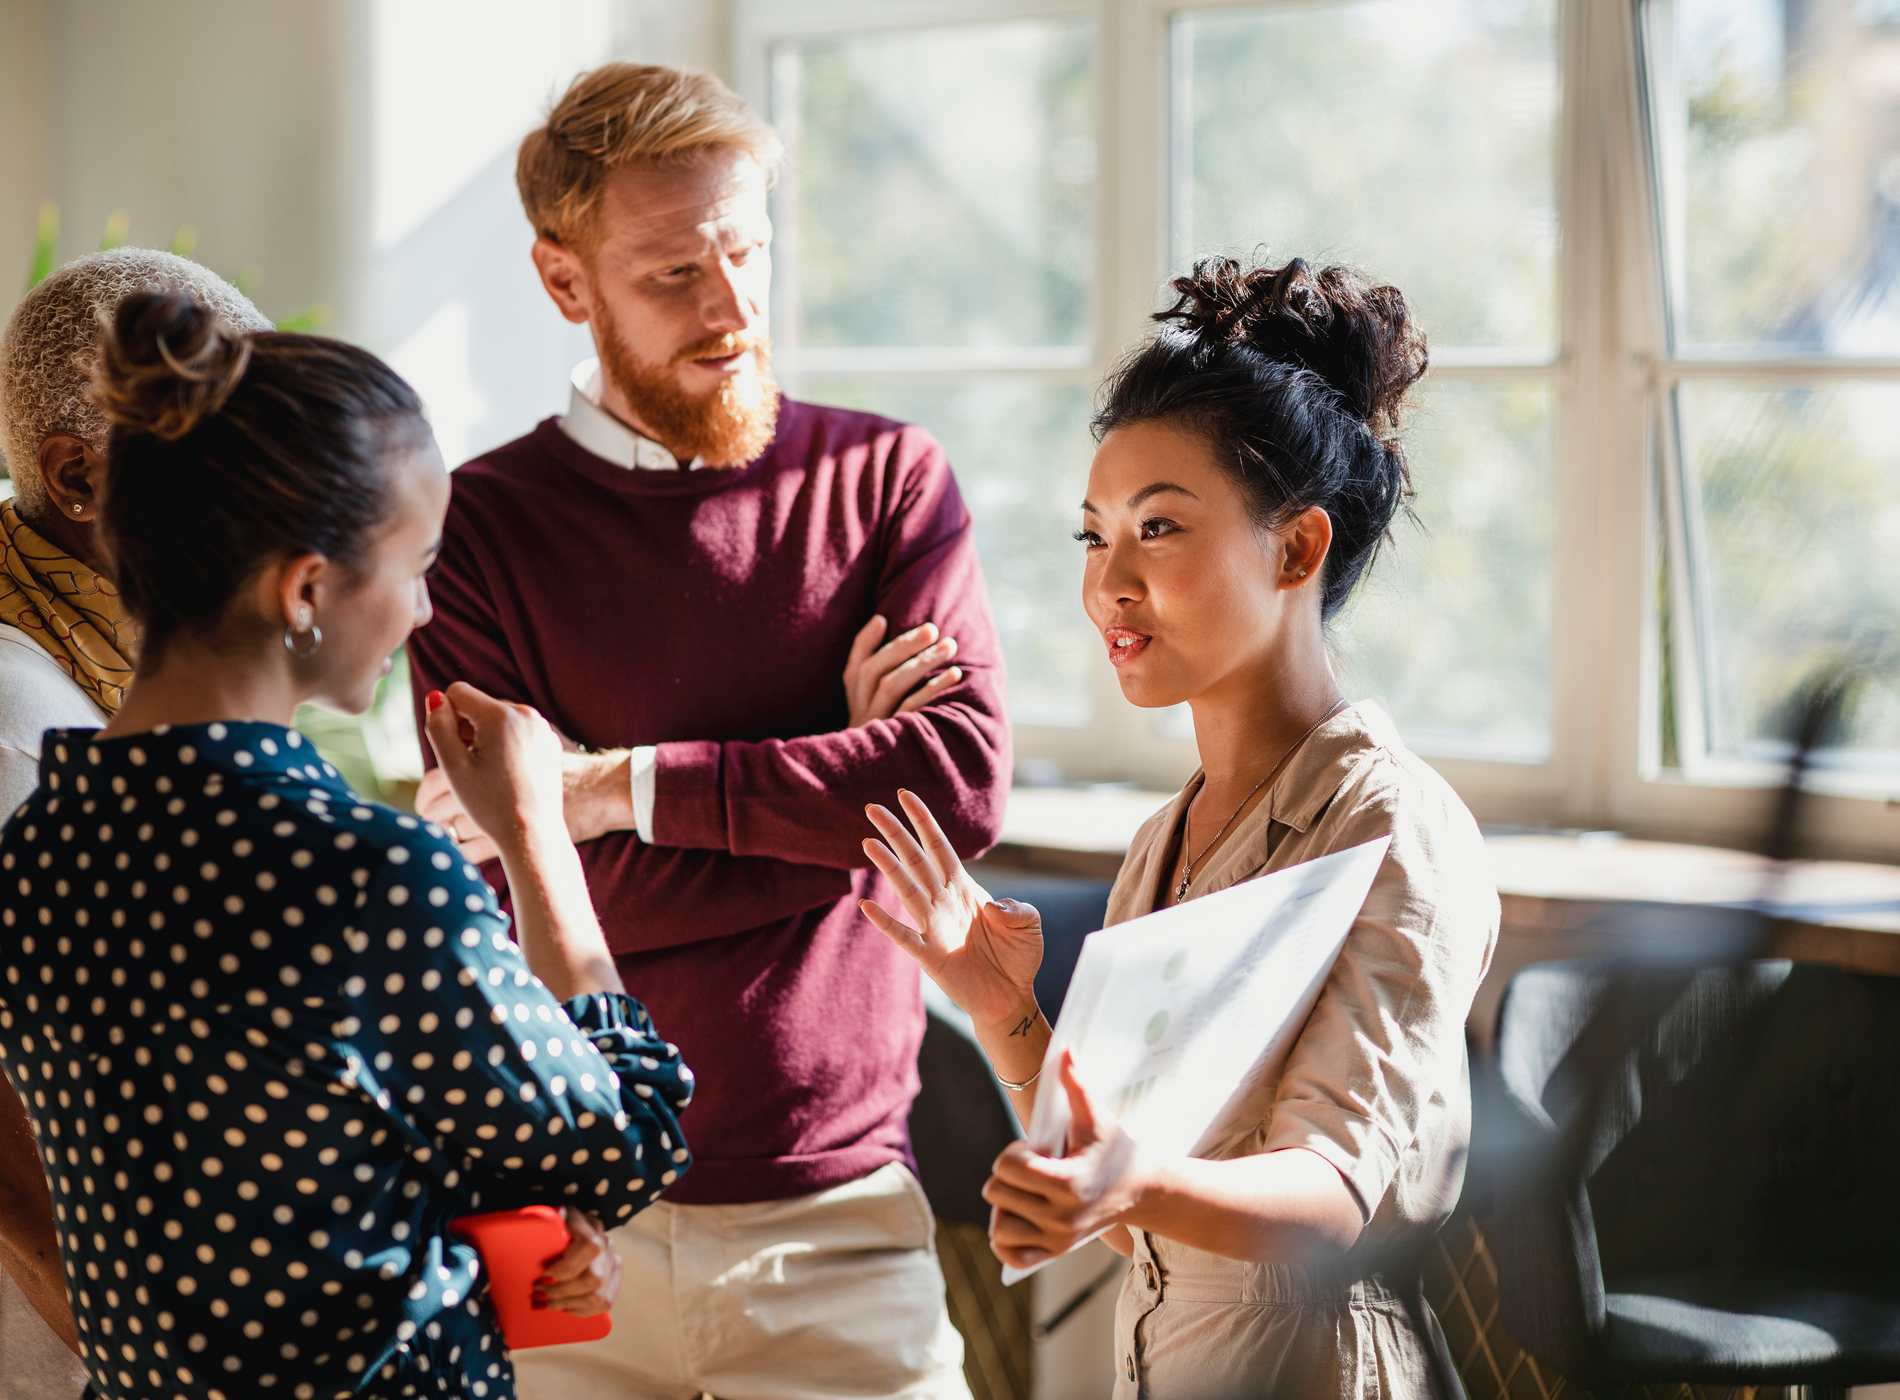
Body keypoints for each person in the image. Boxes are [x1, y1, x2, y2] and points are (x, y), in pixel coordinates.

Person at [405, 61, 1007, 1400]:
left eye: (748, 251)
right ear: (567, 283)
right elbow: (511, 891)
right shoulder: (473, 535)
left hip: (841, 1224)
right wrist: (833, 812)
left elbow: (953, 791)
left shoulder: (886, 482)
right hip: (562, 1232)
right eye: (675, 272)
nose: (732, 307)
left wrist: (607, 790)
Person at [0, 288, 695, 1399]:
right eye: (416, 565)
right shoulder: (364, 877)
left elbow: (256, 1173)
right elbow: (625, 1140)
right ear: (308, 588)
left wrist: (474, 1239)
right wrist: (533, 836)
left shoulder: (37, 853)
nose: (424, 610)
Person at [863, 256, 1501, 1399]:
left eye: (1156, 528)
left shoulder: (1390, 824)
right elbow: (1121, 1207)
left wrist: (1131, 1182)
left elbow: (1329, 1194)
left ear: (1297, 549)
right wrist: (1002, 1005)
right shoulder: (1166, 837)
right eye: (1091, 536)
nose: (1107, 582)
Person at [0, 248, 274, 1397]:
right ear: (78, 476)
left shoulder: (130, 663)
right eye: (236, 456)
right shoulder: (25, 729)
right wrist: (143, 1339)